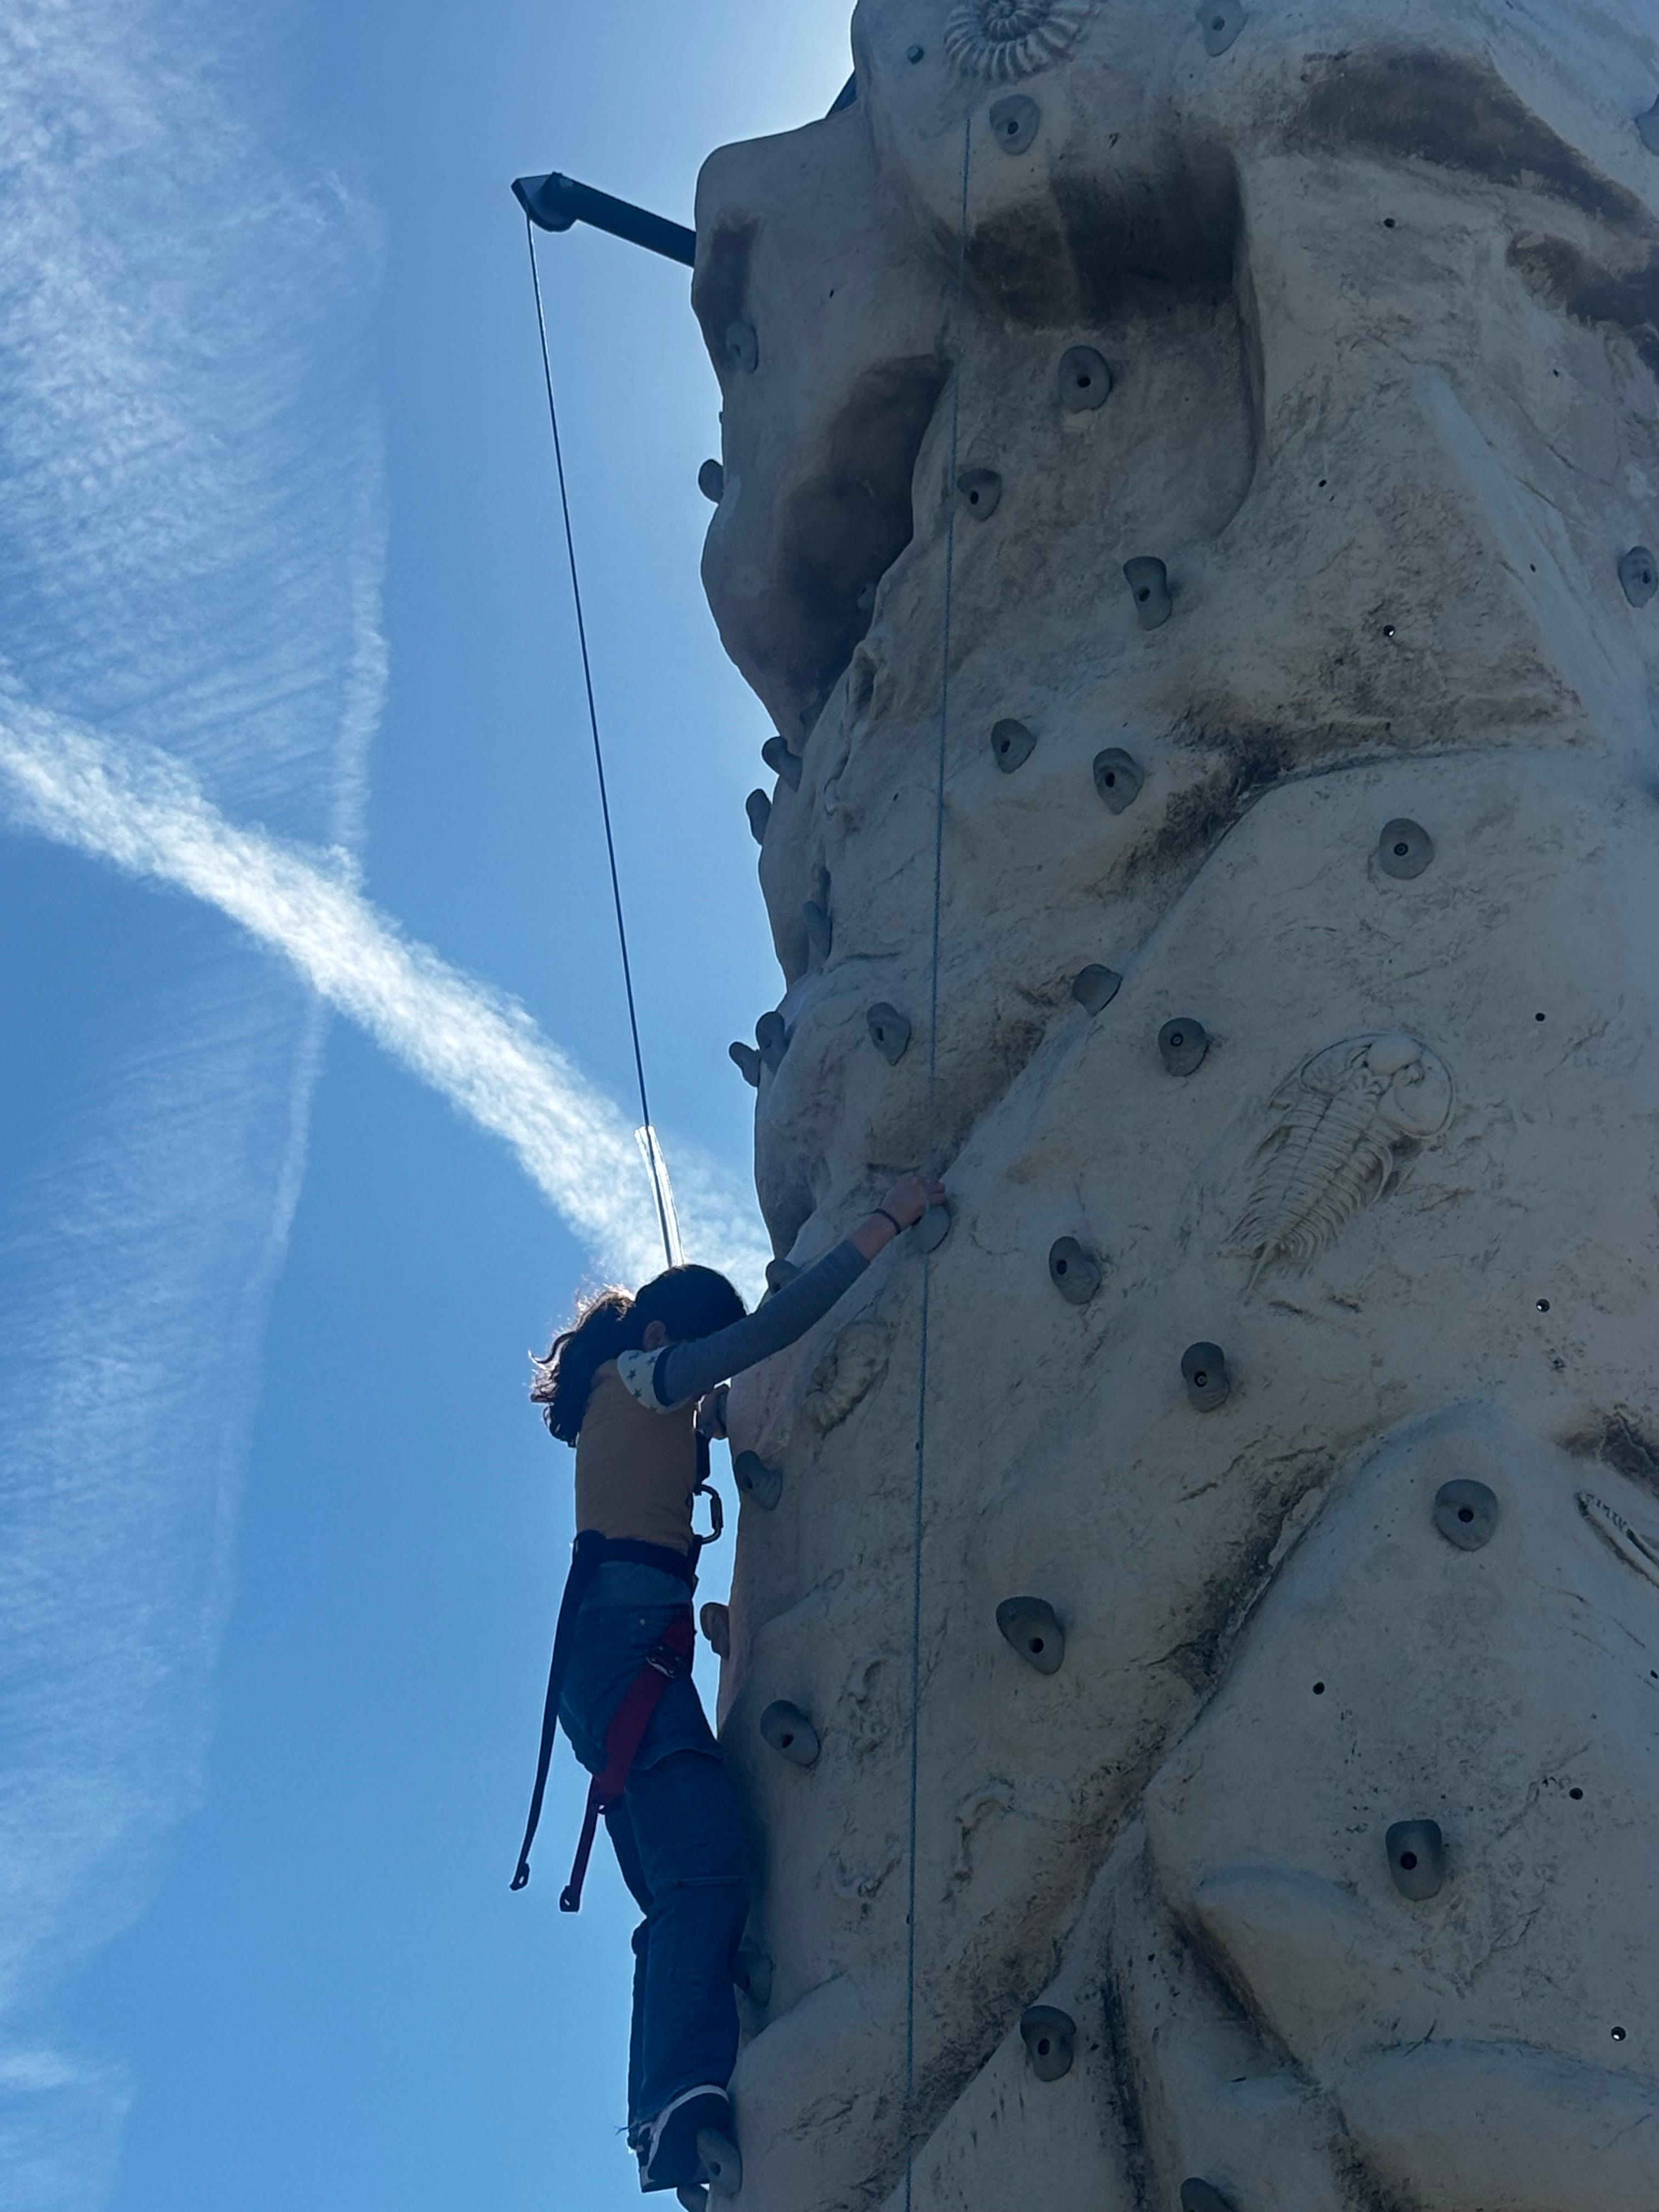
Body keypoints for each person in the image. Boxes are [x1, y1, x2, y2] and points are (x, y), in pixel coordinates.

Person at [519, 1171, 946, 2198]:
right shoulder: (643, 1375)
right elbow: (758, 1347)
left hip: (620, 1651)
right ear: (669, 1335)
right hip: (628, 1648)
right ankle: (672, 2095)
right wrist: (881, 1228)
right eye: (697, 1356)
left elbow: (725, 1402)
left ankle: (677, 2088)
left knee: (687, 1877)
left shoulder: (636, 1404)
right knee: (702, 1871)